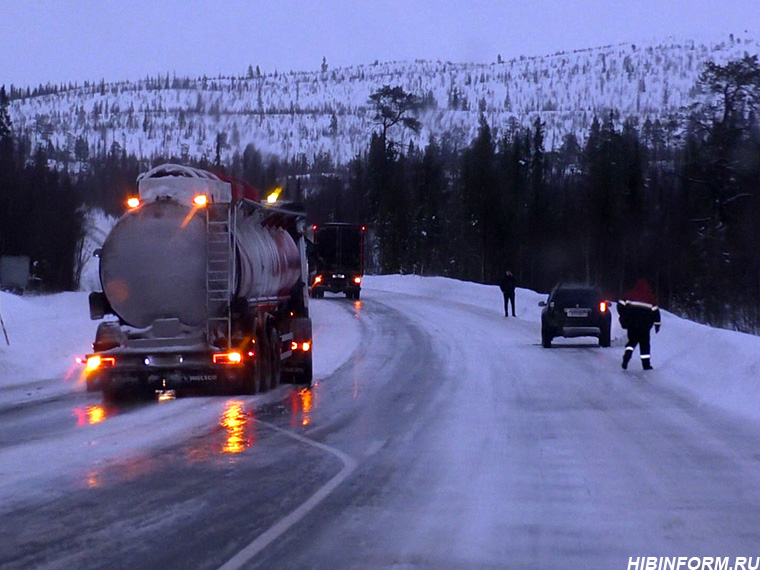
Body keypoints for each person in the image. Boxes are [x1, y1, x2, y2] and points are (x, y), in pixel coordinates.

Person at [617, 279, 661, 370]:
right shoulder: (650, 298)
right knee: (644, 345)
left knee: (632, 342)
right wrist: (657, 325)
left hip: (632, 325)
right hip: (645, 327)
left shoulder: (629, 295)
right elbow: (656, 313)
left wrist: (624, 316)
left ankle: (627, 356)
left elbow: (620, 305)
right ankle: (646, 365)